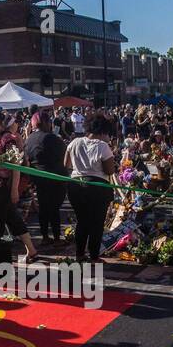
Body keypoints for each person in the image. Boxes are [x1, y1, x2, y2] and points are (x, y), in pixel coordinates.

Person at [0, 108, 38, 262]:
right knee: (12, 218)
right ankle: (31, 250)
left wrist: (14, 190)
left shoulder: (7, 139)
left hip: (2, 188)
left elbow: (15, 166)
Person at [65, 112, 117, 262]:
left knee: (82, 221)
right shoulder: (103, 146)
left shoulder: (74, 142)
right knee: (97, 222)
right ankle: (94, 255)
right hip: (97, 188)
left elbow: (66, 164)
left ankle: (79, 254)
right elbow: (110, 170)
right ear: (103, 131)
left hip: (75, 185)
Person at [23, 107, 69, 244]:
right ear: (44, 122)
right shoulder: (51, 138)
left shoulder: (29, 139)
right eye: (49, 122)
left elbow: (27, 158)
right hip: (55, 177)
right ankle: (56, 238)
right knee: (54, 208)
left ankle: (45, 236)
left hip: (38, 178)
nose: (51, 124)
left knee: (43, 207)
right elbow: (64, 155)